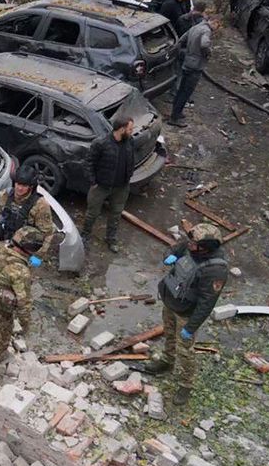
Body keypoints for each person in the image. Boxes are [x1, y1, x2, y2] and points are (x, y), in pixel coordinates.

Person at [141, 223, 227, 406]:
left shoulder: (215, 270)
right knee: (169, 334)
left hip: (187, 313)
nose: (189, 245)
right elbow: (175, 248)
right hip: (171, 300)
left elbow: (207, 303)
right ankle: (167, 360)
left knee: (185, 350)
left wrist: (191, 327)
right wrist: (168, 256)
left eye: (194, 244)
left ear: (206, 248)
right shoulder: (191, 246)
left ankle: (186, 384)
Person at [0, 226, 44, 387]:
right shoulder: (19, 270)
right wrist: (26, 325)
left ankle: (0, 353)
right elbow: (24, 303)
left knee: (0, 333)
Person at [81, 115, 135, 253]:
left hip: (121, 187)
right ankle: (85, 235)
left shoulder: (129, 141)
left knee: (116, 214)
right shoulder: (101, 143)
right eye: (130, 129)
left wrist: (128, 176)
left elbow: (132, 159)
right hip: (101, 186)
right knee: (92, 214)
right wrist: (93, 181)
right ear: (122, 129)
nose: (132, 131)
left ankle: (111, 238)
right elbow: (88, 163)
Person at [169, 1, 211, 128]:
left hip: (187, 61)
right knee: (186, 92)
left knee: (181, 89)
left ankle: (176, 112)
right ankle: (174, 118)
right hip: (195, 65)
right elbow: (204, 45)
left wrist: (183, 52)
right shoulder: (206, 30)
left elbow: (181, 39)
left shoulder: (194, 27)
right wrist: (208, 53)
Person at [0, 165, 53, 251]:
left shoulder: (40, 205)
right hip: (5, 241)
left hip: (24, 248)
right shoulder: (5, 195)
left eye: (24, 185)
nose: (20, 188)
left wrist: (38, 256)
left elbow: (47, 233)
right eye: (18, 184)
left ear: (31, 187)